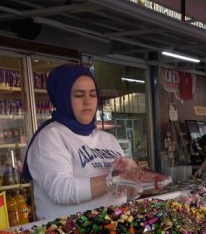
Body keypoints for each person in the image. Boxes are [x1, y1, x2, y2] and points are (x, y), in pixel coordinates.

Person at [21, 64, 133, 220]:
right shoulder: (50, 137)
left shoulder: (108, 139)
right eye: (79, 95)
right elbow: (61, 190)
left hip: (116, 228)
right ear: (63, 98)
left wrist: (136, 179)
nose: (88, 101)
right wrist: (114, 180)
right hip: (70, 233)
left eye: (93, 95)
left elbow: (126, 191)